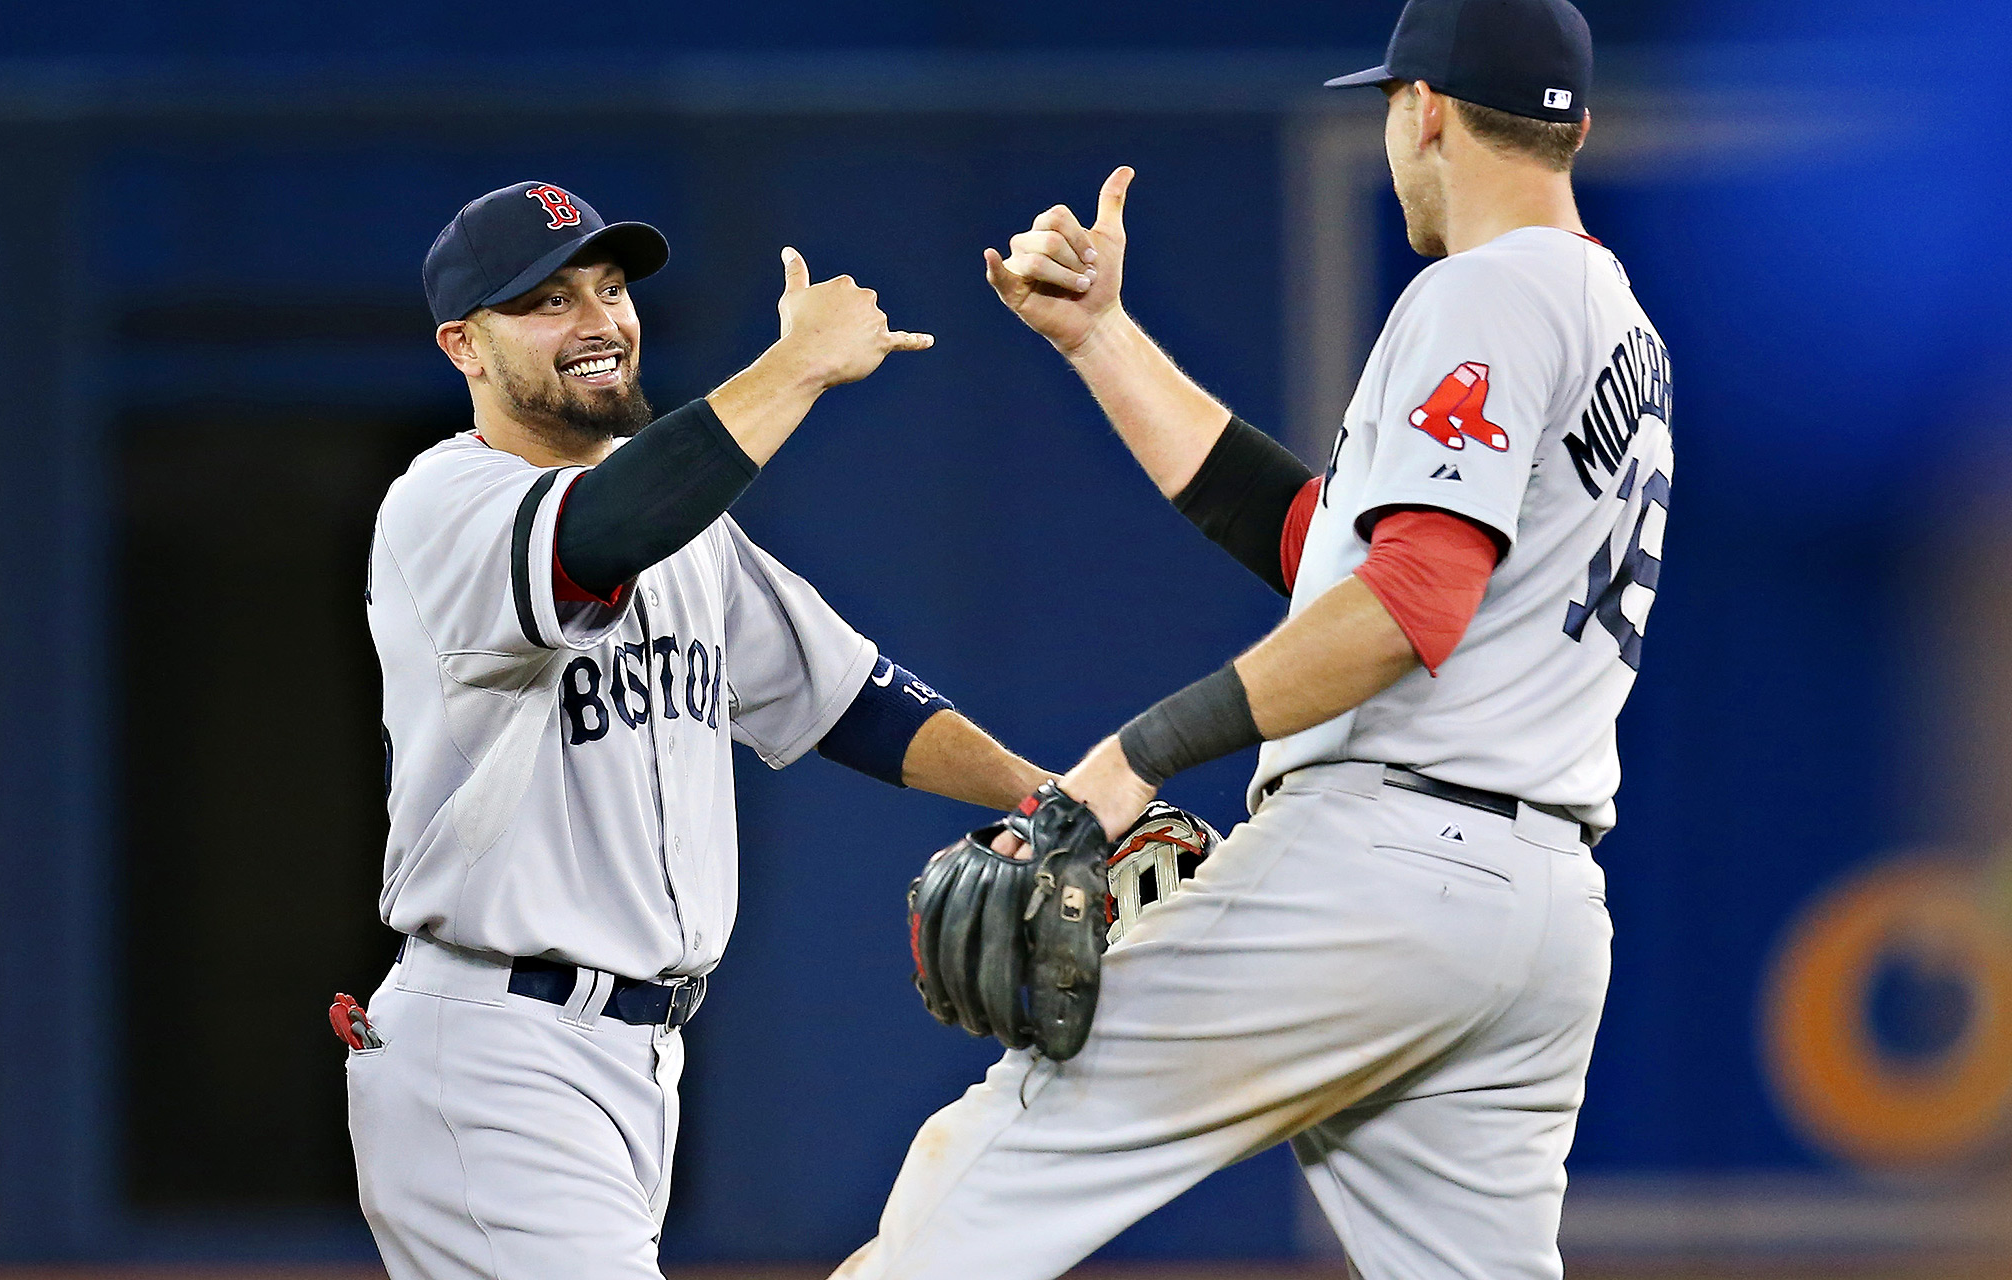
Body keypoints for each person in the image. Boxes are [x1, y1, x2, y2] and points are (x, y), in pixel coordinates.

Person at [837, 0, 1672, 1275]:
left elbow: (1405, 602)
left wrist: (1137, 749)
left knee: (992, 1168)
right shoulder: (1615, 322)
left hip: (1388, 865)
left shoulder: (1483, 292)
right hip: (1539, 911)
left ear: (1423, 109)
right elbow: (1324, 544)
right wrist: (1100, 338)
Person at [343, 180, 1048, 1280]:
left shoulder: (684, 525)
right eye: (544, 300)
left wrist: (1051, 796)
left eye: (609, 286)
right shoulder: (444, 504)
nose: (597, 319)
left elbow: (847, 694)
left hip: (635, 1057)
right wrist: (798, 365)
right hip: (489, 1049)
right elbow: (601, 531)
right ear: (462, 347)